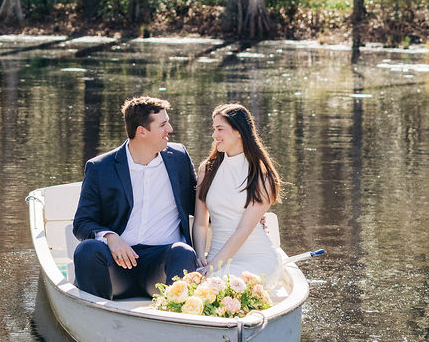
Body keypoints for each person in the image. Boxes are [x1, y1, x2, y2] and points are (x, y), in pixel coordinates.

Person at [72, 95, 199, 300]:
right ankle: (97, 318)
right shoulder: (101, 167)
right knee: (87, 250)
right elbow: (82, 223)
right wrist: (110, 237)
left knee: (183, 252)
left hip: (161, 263)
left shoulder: (179, 158)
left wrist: (242, 214)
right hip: (117, 265)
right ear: (142, 132)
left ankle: (175, 319)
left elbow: (199, 204)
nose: (170, 129)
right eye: (163, 125)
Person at [193, 103, 281, 283]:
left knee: (220, 286)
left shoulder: (262, 176)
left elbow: (243, 230)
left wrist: (213, 267)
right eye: (213, 129)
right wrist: (200, 257)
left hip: (256, 259)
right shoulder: (207, 170)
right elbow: (201, 222)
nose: (214, 135)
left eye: (220, 129)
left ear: (239, 131)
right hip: (216, 256)